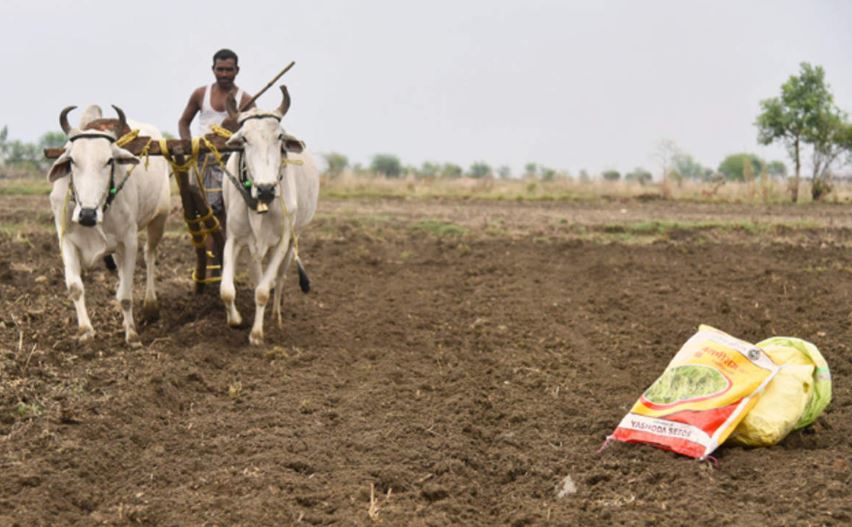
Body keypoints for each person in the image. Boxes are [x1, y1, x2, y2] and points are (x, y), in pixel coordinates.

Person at [178, 49, 253, 279]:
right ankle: (211, 265)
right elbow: (184, 122)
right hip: (202, 162)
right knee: (205, 214)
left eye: (229, 70)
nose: (224, 74)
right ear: (213, 70)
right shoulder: (201, 94)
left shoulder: (246, 101)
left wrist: (233, 130)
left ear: (236, 71)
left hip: (231, 162)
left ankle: (223, 265)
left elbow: (252, 132)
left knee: (226, 215)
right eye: (220, 69)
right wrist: (188, 144)